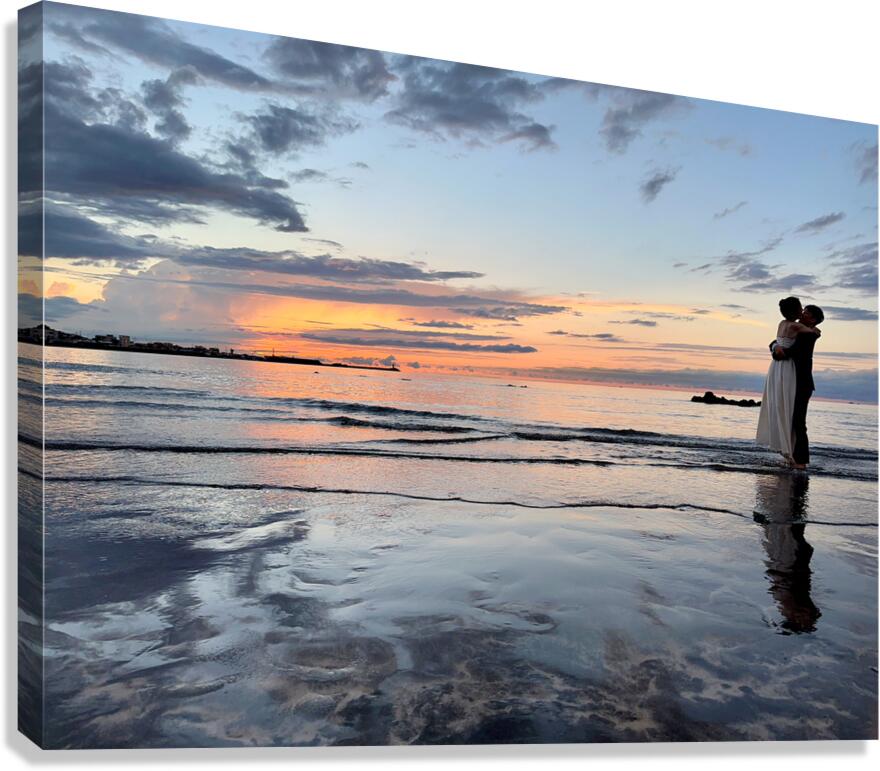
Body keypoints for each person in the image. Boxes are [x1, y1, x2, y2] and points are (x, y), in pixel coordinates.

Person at [756, 298, 821, 464]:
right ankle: (791, 455)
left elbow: (791, 352)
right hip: (787, 375)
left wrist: (777, 349)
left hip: (800, 382)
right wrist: (775, 346)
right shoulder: (798, 328)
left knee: (798, 421)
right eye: (802, 310)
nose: (803, 313)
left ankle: (800, 461)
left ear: (813, 319)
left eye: (806, 313)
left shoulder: (806, 335)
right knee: (786, 413)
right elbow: (775, 343)